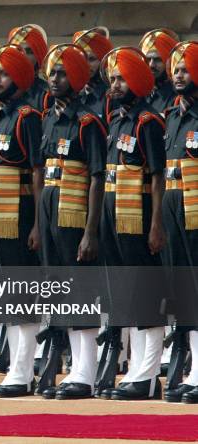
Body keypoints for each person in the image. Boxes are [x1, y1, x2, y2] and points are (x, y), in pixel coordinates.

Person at [38, 44, 107, 400]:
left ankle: (86, 372)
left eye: (62, 73)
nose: (55, 79)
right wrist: (38, 222)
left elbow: (97, 177)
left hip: (74, 213)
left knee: (79, 291)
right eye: (52, 73)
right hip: (50, 209)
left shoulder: (88, 123)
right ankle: (74, 368)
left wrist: (90, 231)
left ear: (78, 78)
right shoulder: (48, 117)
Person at [0, 44, 43, 397]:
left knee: (21, 292)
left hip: (16, 214)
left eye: (3, 73)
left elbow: (37, 171)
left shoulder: (27, 116)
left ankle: (23, 370)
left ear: (18, 77)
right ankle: (15, 366)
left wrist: (37, 224)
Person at [99, 47, 166, 401]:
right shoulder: (118, 120)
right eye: (112, 79)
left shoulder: (148, 122)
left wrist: (156, 224)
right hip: (116, 216)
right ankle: (138, 368)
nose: (115, 84)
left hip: (138, 216)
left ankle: (148, 374)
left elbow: (157, 177)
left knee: (146, 291)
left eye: (121, 78)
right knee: (127, 292)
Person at [157, 41, 198, 403]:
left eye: (184, 69)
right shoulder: (172, 115)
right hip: (175, 205)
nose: (178, 75)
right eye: (176, 69)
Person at [73, 27, 114, 121]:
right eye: (82, 59)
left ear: (103, 61)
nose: (86, 65)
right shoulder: (74, 95)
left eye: (91, 59)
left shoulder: (110, 98)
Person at [7, 24, 51, 112]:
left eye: (29, 51)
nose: (23, 55)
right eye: (18, 50)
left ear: (38, 56)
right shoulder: (1, 90)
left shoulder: (47, 95)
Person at [139, 29, 179, 115]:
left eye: (158, 60)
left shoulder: (178, 97)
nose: (151, 65)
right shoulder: (138, 95)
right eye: (147, 60)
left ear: (170, 62)